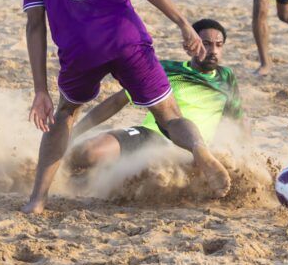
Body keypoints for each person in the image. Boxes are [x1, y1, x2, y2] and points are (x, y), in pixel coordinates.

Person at [21, 0, 230, 214]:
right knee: (169, 115)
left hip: (78, 48)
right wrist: (181, 21)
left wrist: (40, 90)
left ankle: (37, 200)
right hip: (125, 37)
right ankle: (199, 151)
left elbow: (35, 25)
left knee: (64, 115)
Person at [67, 18, 245, 174]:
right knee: (85, 152)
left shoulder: (226, 78)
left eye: (219, 45)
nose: (213, 50)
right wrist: (76, 131)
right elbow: (117, 101)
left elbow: (237, 122)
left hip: (195, 151)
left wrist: (246, 154)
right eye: (206, 44)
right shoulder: (166, 70)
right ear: (191, 46)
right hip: (150, 135)